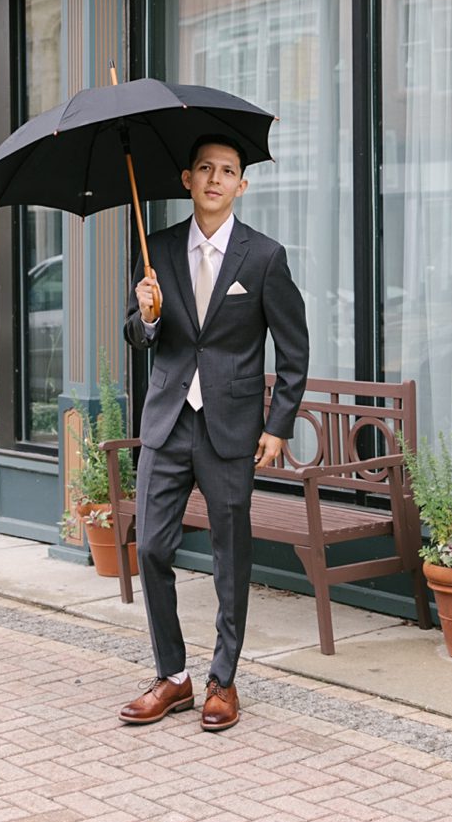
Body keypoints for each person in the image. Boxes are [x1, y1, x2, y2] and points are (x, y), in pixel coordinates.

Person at [115, 134, 309, 733]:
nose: (217, 179)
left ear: (242, 185)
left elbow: (294, 348)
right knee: (150, 547)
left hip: (231, 427)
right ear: (187, 179)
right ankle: (172, 675)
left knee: (231, 558)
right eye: (205, 168)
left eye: (228, 171)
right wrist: (146, 315)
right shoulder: (158, 250)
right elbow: (140, 337)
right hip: (168, 421)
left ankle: (223, 680)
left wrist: (278, 425)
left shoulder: (264, 257)